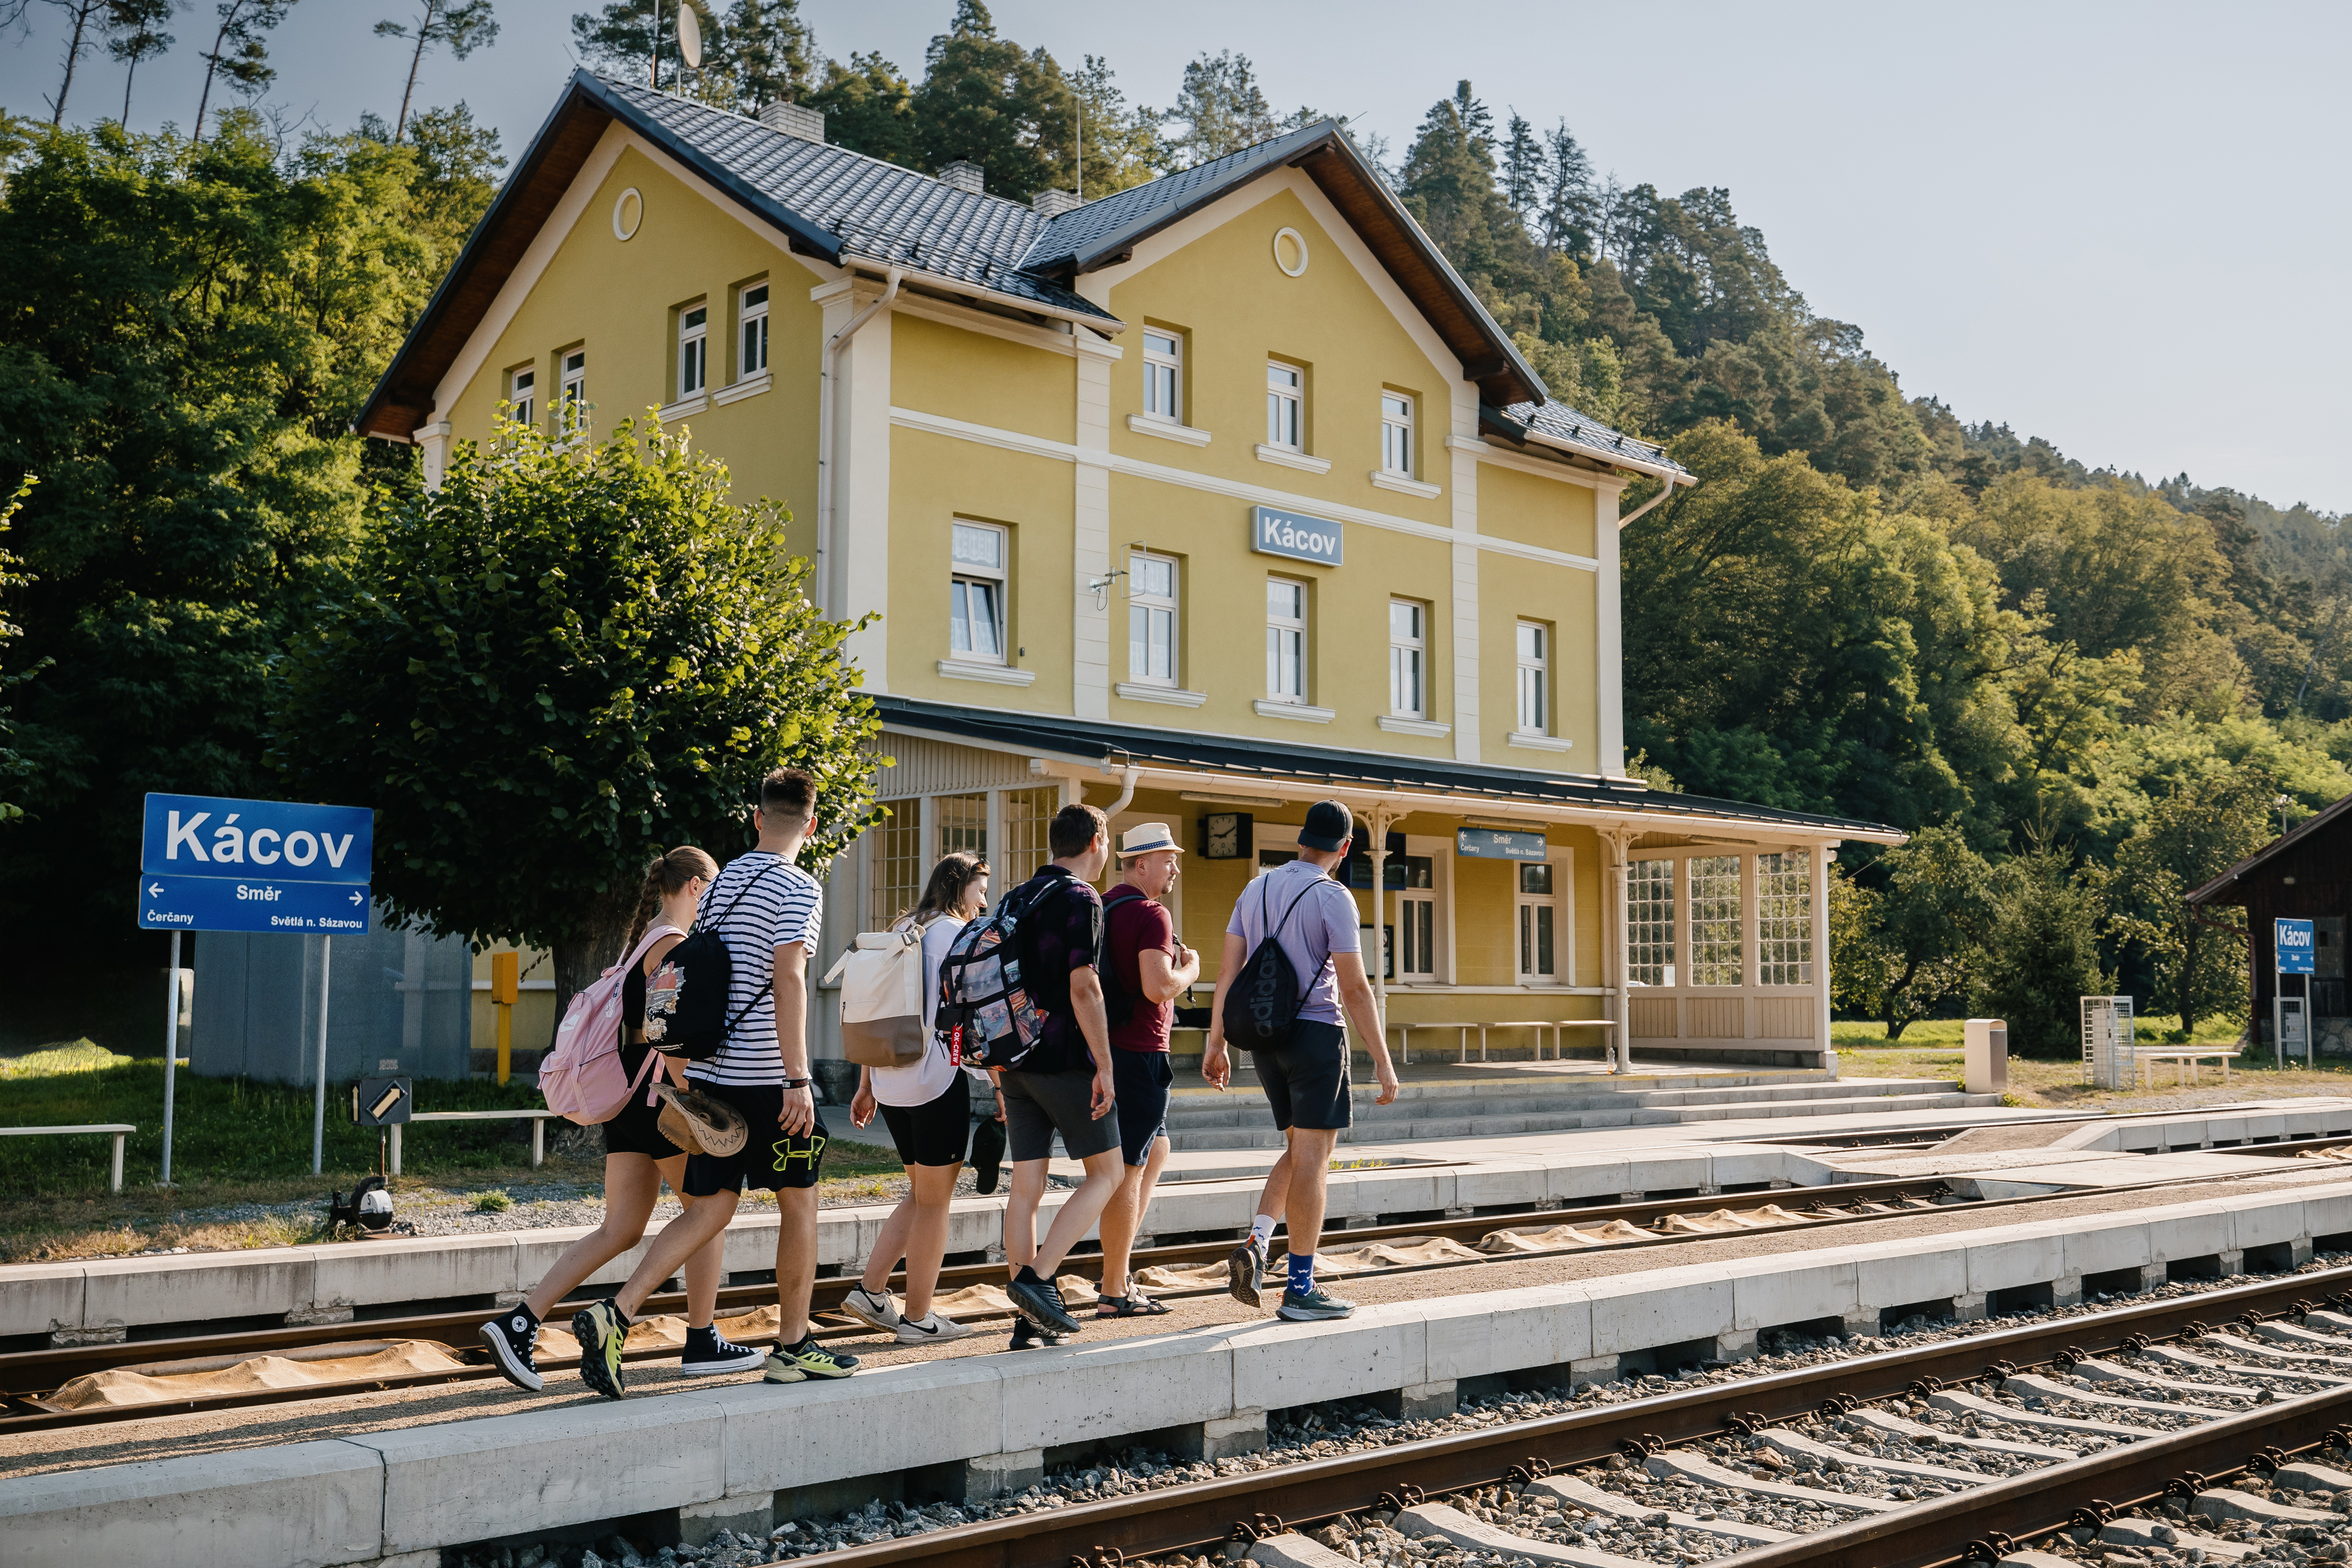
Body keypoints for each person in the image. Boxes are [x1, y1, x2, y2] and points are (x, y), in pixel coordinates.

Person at [571, 768, 857, 1395]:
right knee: (799, 1202)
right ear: (810, 826)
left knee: (711, 1207)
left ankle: (614, 1313)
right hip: (767, 1080)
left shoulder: (721, 881)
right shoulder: (800, 889)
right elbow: (788, 979)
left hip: (710, 1081)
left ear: (757, 818)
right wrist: (797, 1078)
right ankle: (793, 1346)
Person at [479, 847, 760, 1390]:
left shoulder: (641, 944)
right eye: (715, 890)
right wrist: (694, 1097)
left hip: (628, 1106)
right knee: (707, 1209)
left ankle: (518, 1323)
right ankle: (700, 1339)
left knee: (623, 1227)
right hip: (658, 1102)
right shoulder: (673, 945)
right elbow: (666, 1034)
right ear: (697, 888)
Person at [1201, 800, 1401, 1322]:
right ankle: (1301, 1288)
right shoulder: (1333, 897)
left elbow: (1228, 974)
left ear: (1301, 839)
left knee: (1297, 1149)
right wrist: (1383, 1061)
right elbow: (1355, 988)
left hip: (1263, 1042)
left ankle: (1258, 1242)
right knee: (1315, 1160)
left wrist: (1215, 1042)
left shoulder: (1255, 888)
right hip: (1315, 1034)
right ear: (1345, 847)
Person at [840, 851, 993, 1345]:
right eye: (979, 889)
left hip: (890, 1081)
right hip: (934, 1081)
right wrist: (998, 1079)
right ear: (959, 885)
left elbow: (877, 1008)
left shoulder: (903, 925)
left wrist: (866, 1084)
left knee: (919, 1194)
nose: (984, 900)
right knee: (935, 1203)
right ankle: (919, 1318)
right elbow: (970, 1014)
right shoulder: (953, 934)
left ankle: (870, 1291)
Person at [994, 802, 1127, 1340]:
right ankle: (1039, 1279)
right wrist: (1105, 1063)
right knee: (1108, 1173)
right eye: (1108, 841)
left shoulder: (1016, 897)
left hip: (1013, 1059)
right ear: (1095, 840)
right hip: (1063, 1058)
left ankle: (1029, 1320)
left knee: (1025, 1186)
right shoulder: (1080, 898)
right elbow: (1084, 986)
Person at [1093, 822, 1199, 1318]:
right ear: (1141, 864)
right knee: (1128, 1172)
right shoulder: (1151, 913)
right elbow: (1158, 988)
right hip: (1138, 1052)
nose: (1175, 868)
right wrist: (1191, 969)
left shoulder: (1101, 907)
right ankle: (1114, 1289)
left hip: (1107, 1052)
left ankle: (1120, 1268)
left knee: (1156, 1149)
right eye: (1167, 859)